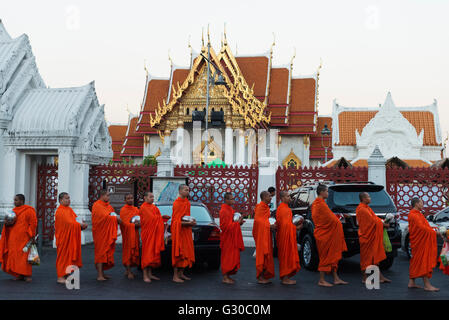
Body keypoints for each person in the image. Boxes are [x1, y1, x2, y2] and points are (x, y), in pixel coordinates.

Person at [311, 184, 348, 287]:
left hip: (328, 233)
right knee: (325, 258)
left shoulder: (321, 203)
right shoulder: (319, 204)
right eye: (327, 191)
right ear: (322, 192)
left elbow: (329, 218)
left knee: (332, 257)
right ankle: (321, 280)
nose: (328, 193)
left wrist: (337, 222)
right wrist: (337, 222)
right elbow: (329, 219)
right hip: (324, 234)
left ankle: (336, 278)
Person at [0, 194, 37, 282]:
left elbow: (33, 223)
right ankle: (18, 274)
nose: (14, 202)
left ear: (22, 201)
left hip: (25, 237)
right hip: (13, 237)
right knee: (14, 256)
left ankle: (27, 275)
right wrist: (6, 223)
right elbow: (9, 223)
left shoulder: (29, 210)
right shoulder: (12, 211)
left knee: (25, 256)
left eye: (16, 200)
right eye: (14, 200)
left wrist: (32, 236)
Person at [356, 192, 391, 284]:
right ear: (363, 199)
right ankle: (364, 278)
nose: (370, 198)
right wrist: (383, 224)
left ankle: (380, 277)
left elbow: (375, 219)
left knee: (374, 257)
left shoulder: (367, 208)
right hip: (366, 236)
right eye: (368, 197)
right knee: (366, 258)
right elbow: (373, 222)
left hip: (371, 236)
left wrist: (383, 222)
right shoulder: (362, 209)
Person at [408, 197, 440, 291]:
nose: (423, 204)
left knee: (416, 261)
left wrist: (434, 231)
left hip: (419, 241)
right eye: (422, 202)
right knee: (423, 261)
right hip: (420, 242)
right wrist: (435, 233)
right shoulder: (414, 215)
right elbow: (422, 229)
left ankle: (411, 282)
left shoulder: (418, 214)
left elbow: (426, 227)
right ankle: (427, 285)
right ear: (417, 204)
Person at [54, 192, 88, 284]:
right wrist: (80, 225)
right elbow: (70, 224)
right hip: (64, 238)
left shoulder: (69, 210)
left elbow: (74, 221)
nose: (68, 200)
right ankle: (60, 277)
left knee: (70, 257)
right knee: (63, 257)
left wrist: (81, 224)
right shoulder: (60, 211)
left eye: (69, 198)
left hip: (70, 237)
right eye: (66, 198)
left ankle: (67, 274)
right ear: (61, 200)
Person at [139, 192, 170, 283]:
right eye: (150, 197)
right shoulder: (143, 207)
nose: (152, 198)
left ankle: (150, 274)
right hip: (148, 234)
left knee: (152, 255)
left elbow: (156, 218)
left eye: (153, 197)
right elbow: (151, 219)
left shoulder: (154, 207)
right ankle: (145, 275)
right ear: (145, 198)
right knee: (147, 254)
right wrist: (160, 217)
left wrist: (162, 218)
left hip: (154, 234)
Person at [92, 189, 121, 281]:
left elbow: (113, 215)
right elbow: (103, 217)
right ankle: (99, 275)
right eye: (107, 195)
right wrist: (115, 218)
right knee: (101, 253)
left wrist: (118, 219)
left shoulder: (109, 206)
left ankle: (103, 273)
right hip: (100, 233)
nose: (109, 197)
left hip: (107, 232)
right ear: (102, 195)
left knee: (106, 252)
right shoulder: (96, 205)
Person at [171, 184, 196, 283]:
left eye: (188, 190)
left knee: (186, 252)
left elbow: (186, 217)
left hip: (186, 231)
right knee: (178, 253)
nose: (188, 192)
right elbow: (176, 221)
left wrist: (191, 222)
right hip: (179, 232)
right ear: (180, 191)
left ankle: (181, 274)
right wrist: (188, 223)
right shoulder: (176, 203)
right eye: (186, 190)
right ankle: (175, 276)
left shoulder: (187, 203)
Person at [276, 191, 301, 285]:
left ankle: (285, 277)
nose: (289, 198)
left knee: (285, 256)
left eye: (289, 196)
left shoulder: (283, 208)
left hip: (283, 235)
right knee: (286, 256)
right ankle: (285, 278)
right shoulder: (284, 209)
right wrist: (296, 227)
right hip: (285, 236)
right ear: (282, 198)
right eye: (287, 196)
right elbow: (285, 225)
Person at [219, 192, 245, 284]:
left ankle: (228, 276)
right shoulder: (224, 210)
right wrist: (238, 223)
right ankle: (225, 277)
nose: (233, 200)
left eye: (233, 198)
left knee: (232, 257)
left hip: (232, 237)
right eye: (231, 199)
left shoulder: (230, 209)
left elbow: (233, 222)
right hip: (227, 238)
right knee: (227, 257)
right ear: (226, 200)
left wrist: (239, 222)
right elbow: (225, 227)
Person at [253, 191, 276, 284]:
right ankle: (260, 277)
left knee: (266, 255)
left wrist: (270, 225)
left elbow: (264, 220)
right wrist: (269, 226)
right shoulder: (260, 207)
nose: (271, 198)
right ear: (264, 197)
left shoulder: (266, 207)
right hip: (261, 235)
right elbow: (258, 221)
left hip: (265, 234)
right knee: (262, 255)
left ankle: (263, 276)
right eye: (269, 196)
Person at [119, 194, 140, 280]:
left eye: (131, 198)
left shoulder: (136, 209)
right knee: (128, 252)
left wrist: (138, 224)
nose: (130, 200)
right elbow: (123, 223)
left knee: (134, 251)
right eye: (128, 198)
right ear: (125, 200)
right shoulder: (123, 210)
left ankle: (129, 270)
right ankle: (128, 270)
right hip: (127, 234)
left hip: (135, 233)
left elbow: (139, 219)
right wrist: (132, 225)